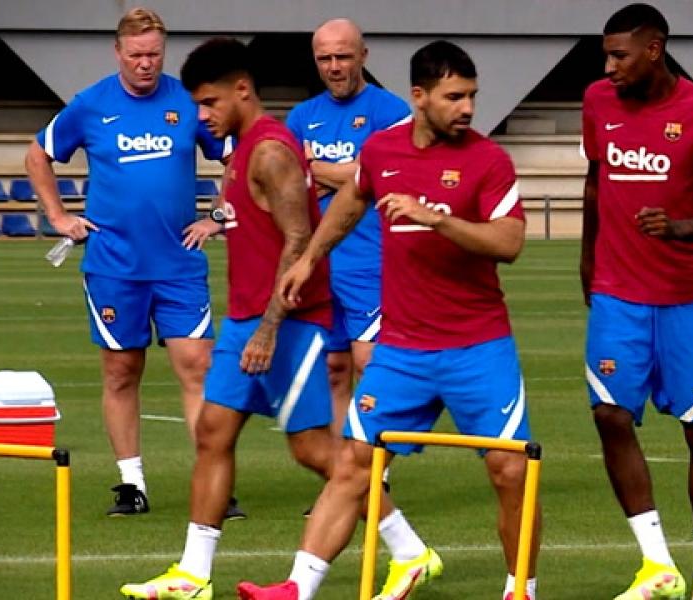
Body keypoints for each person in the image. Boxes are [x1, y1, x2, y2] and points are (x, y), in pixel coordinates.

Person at [120, 38, 428, 600]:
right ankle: (193, 574)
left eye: (211, 103)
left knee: (314, 450)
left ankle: (409, 551)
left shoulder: (271, 151)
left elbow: (299, 239)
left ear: (243, 90)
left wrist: (267, 327)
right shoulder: (241, 151)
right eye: (198, 106)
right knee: (214, 433)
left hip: (287, 321)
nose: (203, 116)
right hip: (247, 318)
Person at [238, 40, 540, 600]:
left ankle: (521, 589)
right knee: (354, 465)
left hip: (478, 347)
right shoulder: (382, 150)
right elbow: (352, 202)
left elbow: (510, 241)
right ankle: (296, 589)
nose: (467, 107)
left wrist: (437, 220)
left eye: (471, 95)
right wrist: (308, 259)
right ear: (419, 97)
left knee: (510, 471)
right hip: (402, 350)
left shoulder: (487, 160)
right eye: (455, 96)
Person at [23, 7, 241, 519]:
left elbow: (234, 154)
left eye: (154, 54)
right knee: (122, 371)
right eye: (137, 54)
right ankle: (131, 483)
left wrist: (217, 216)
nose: (146, 64)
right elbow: (39, 155)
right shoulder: (90, 104)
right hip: (114, 266)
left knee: (198, 366)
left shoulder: (188, 101)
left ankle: (213, 480)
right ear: (118, 52)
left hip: (180, 261)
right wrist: (58, 215)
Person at [580, 4, 693, 599]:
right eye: (606, 55)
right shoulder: (598, 101)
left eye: (620, 54)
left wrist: (679, 227)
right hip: (618, 294)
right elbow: (596, 182)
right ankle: (657, 567)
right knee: (609, 416)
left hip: (687, 299)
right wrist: (586, 259)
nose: (609, 65)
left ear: (654, 49)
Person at [285, 18, 411, 436]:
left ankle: (375, 475)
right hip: (318, 265)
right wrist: (352, 172)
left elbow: (385, 178)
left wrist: (316, 168)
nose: (335, 66)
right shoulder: (303, 116)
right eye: (325, 59)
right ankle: (344, 476)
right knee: (334, 369)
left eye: (343, 56)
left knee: (369, 365)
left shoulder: (391, 111)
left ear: (363, 56)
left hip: (371, 261)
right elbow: (288, 181)